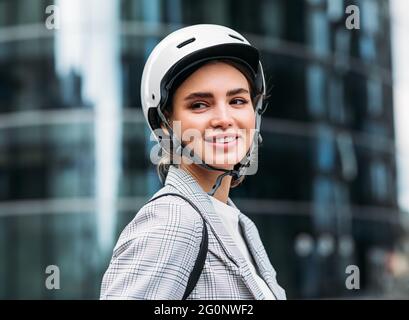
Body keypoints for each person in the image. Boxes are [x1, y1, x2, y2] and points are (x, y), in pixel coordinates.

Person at [100, 24, 286, 300]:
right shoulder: (172, 221)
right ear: (165, 123)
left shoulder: (240, 225)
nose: (224, 118)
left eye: (237, 100)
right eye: (199, 104)